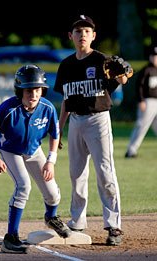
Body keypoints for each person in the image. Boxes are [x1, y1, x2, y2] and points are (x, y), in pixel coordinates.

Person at [54, 14, 131, 246]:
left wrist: (124, 73)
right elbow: (66, 101)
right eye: (78, 31)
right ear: (71, 36)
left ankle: (114, 225)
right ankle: (77, 221)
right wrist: (59, 128)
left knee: (105, 172)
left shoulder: (102, 60)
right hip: (76, 121)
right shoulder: (66, 65)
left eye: (87, 31)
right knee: (76, 174)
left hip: (99, 120)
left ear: (94, 36)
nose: (82, 35)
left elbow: (123, 78)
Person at [0, 64, 71, 254]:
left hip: (34, 150)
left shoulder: (47, 108)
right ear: (20, 90)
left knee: (53, 193)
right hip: (10, 151)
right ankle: (10, 237)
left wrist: (50, 161)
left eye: (37, 89)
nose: (33, 94)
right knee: (23, 186)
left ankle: (51, 217)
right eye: (28, 90)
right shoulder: (8, 108)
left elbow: (55, 134)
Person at [125, 46, 157, 158]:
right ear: (150, 57)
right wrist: (141, 100)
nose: (155, 58)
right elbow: (139, 87)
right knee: (141, 126)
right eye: (153, 56)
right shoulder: (146, 70)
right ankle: (131, 150)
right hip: (147, 102)